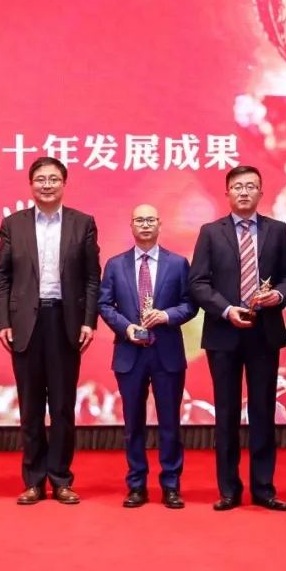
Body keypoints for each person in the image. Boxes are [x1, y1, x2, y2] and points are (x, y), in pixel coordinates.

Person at [188, 166, 286, 512]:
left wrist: (278, 296)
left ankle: (263, 488)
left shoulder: (277, 230)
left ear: (261, 193)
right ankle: (229, 489)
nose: (245, 192)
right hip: (224, 333)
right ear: (227, 193)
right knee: (227, 413)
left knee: (264, 411)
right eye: (238, 187)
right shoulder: (210, 232)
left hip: (265, 332)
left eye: (251, 186)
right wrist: (225, 309)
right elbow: (198, 283)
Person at [0, 156, 101, 505]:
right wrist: (3, 321)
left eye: (53, 179)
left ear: (64, 184)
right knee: (30, 408)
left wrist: (88, 320)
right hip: (25, 323)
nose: (47, 185)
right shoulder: (14, 224)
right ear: (31, 185)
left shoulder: (82, 223)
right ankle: (33, 480)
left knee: (62, 406)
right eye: (40, 179)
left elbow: (92, 277)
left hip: (65, 322)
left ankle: (61, 479)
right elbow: (3, 277)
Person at [98, 204, 197, 509]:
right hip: (130, 353)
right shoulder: (115, 264)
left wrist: (166, 316)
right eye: (139, 220)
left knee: (170, 423)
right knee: (133, 424)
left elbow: (190, 304)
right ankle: (137, 484)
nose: (144, 225)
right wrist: (125, 327)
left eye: (150, 220)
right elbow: (104, 305)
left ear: (159, 225)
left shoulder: (177, 263)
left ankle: (171, 485)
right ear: (131, 225)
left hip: (167, 352)